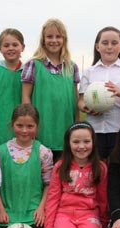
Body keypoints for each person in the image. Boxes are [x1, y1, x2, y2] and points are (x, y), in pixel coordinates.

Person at [0, 104, 53, 228]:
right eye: (20, 125)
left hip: (32, 212)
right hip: (8, 212)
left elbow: (48, 184)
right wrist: (0, 210)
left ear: (37, 126)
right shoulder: (1, 152)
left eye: (30, 126)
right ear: (12, 125)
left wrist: (41, 209)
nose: (24, 130)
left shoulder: (43, 152)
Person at [43, 122, 108, 228]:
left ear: (93, 142)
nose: (81, 146)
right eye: (76, 142)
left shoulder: (100, 168)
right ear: (68, 143)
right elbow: (53, 199)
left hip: (89, 214)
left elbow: (103, 200)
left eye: (86, 141)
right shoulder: (60, 167)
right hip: (64, 214)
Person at [22, 18, 80, 163]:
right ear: (43, 39)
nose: (54, 40)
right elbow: (25, 98)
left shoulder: (71, 67)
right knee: (42, 177)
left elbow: (75, 100)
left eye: (58, 36)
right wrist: (30, 126)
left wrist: (77, 126)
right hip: (42, 132)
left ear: (64, 39)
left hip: (65, 132)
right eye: (49, 36)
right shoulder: (33, 65)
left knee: (63, 177)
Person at [78, 26, 120, 161]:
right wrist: (87, 108)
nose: (109, 47)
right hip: (95, 129)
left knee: (117, 169)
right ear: (97, 47)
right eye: (105, 43)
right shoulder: (89, 72)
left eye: (114, 43)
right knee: (96, 170)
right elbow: (81, 100)